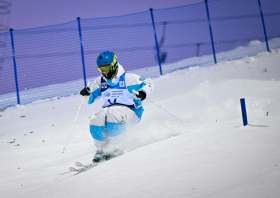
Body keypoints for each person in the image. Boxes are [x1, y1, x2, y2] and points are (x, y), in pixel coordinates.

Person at [80, 51, 153, 162]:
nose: (104, 72)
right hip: (112, 112)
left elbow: (148, 83)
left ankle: (116, 146)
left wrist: (143, 92)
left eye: (106, 67)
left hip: (132, 113)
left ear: (114, 64)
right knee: (95, 119)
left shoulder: (128, 78)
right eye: (101, 69)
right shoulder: (101, 81)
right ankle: (102, 149)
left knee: (113, 112)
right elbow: (92, 94)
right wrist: (87, 92)